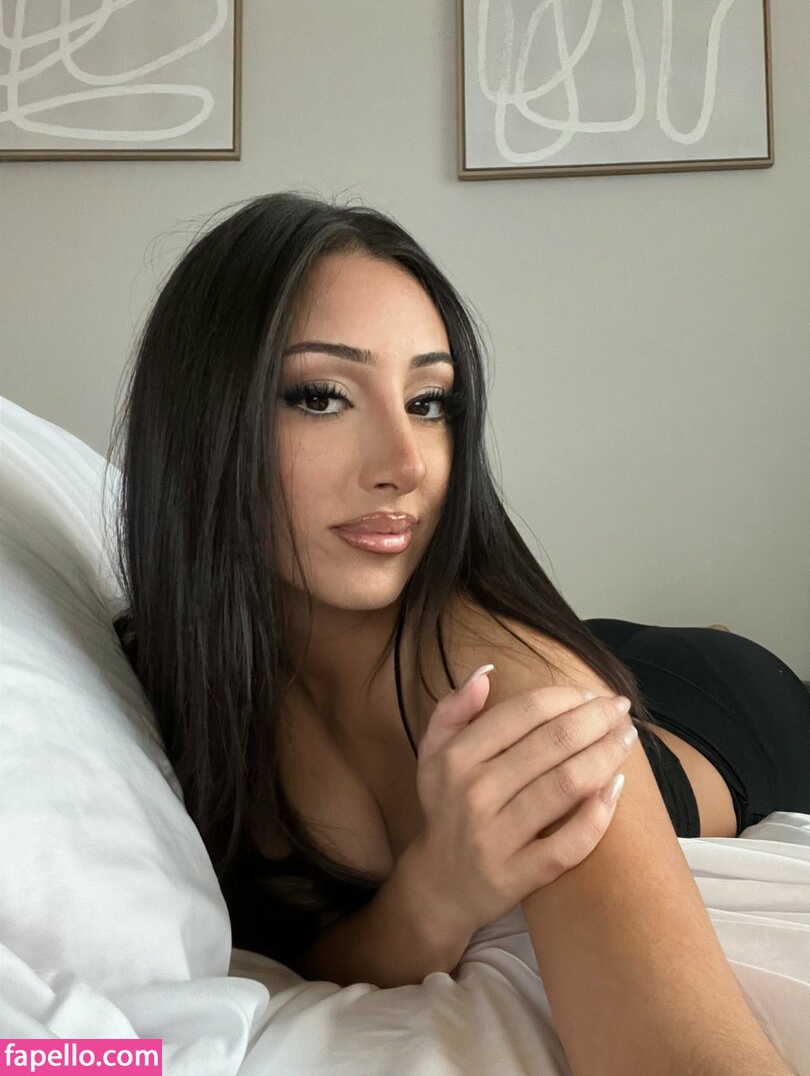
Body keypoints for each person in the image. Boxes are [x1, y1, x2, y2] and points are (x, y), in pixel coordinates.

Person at [107, 191, 808, 1074]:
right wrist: (435, 889)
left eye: (430, 401)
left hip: (728, 707)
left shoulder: (517, 698)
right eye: (322, 397)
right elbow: (328, 955)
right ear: (202, 420)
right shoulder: (162, 676)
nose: (404, 464)